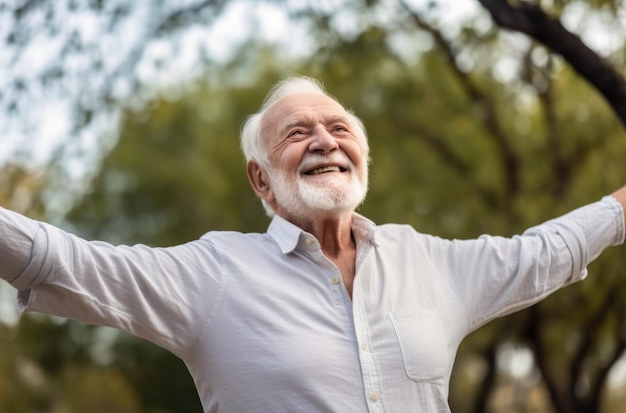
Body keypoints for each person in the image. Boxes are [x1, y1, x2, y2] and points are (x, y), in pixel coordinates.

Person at [1, 76, 625, 413]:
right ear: (261, 180)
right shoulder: (214, 273)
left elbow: (544, 252)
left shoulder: (427, 262)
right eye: (298, 132)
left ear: (362, 155)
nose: (325, 141)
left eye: (339, 128)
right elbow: (62, 259)